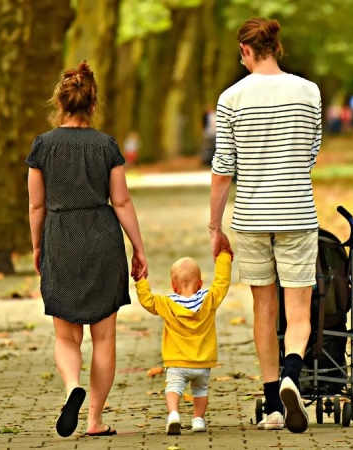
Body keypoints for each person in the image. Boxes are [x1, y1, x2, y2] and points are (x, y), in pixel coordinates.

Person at [208, 17, 322, 434]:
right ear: (277, 47)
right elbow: (311, 153)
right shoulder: (308, 92)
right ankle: (294, 371)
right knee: (298, 309)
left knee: (263, 308)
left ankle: (273, 403)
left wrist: (214, 225)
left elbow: (223, 169)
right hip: (296, 213)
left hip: (252, 218)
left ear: (246, 52)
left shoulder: (231, 98)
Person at [26, 61, 148, 438]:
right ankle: (94, 420)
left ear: (59, 103)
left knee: (66, 337)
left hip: (60, 237)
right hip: (102, 236)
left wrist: (37, 246)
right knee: (105, 339)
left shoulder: (42, 146)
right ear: (93, 104)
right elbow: (122, 202)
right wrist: (138, 249)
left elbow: (35, 206)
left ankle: (71, 388)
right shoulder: (106, 145)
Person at [135, 252, 232, 435]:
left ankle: (173, 415)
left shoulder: (166, 303)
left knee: (173, 388)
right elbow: (222, 283)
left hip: (176, 362)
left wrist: (141, 280)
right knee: (200, 390)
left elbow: (147, 301)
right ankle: (198, 420)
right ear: (200, 284)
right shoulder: (208, 299)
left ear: (173, 286)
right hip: (203, 362)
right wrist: (224, 258)